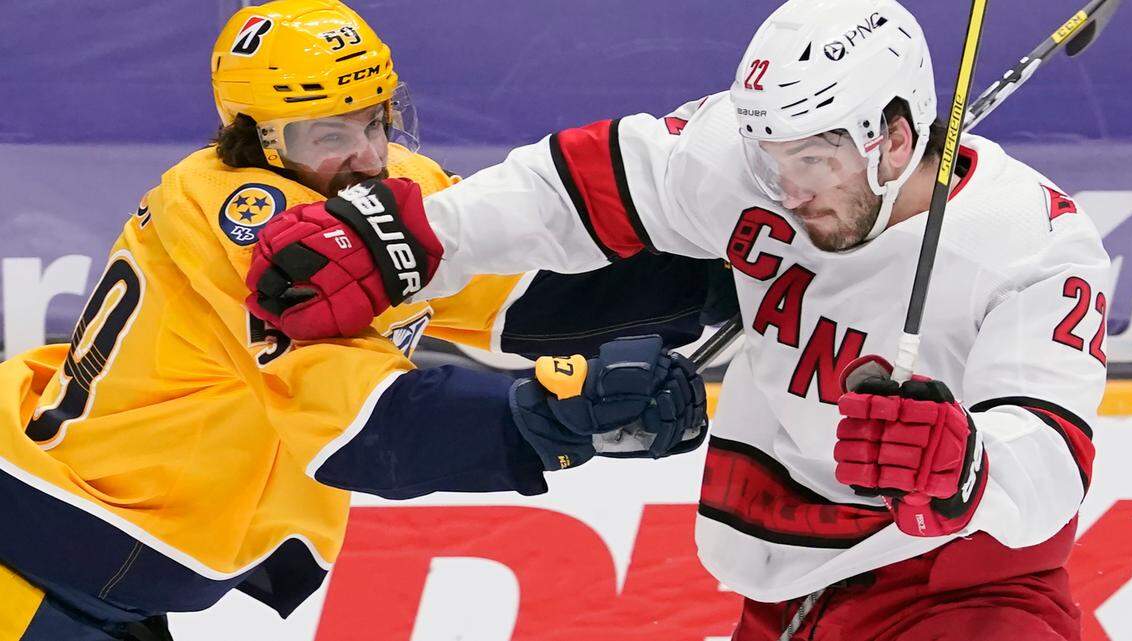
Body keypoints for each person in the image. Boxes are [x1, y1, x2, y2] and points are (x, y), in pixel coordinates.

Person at [249, 0, 1112, 639]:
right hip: (784, 588)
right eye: (771, 160)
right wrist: (416, 237)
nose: (788, 192)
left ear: (893, 137)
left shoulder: (1032, 243)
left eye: (812, 160)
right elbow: (572, 189)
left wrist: (968, 463)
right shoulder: (752, 159)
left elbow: (1056, 455)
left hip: (959, 592)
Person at [0, 1, 710, 639]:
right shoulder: (247, 227)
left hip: (95, 574)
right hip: (35, 557)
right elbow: (364, 424)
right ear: (258, 140)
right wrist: (561, 412)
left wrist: (731, 277)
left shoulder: (380, 192)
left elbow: (527, 298)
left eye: (376, 119)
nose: (368, 157)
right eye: (329, 133)